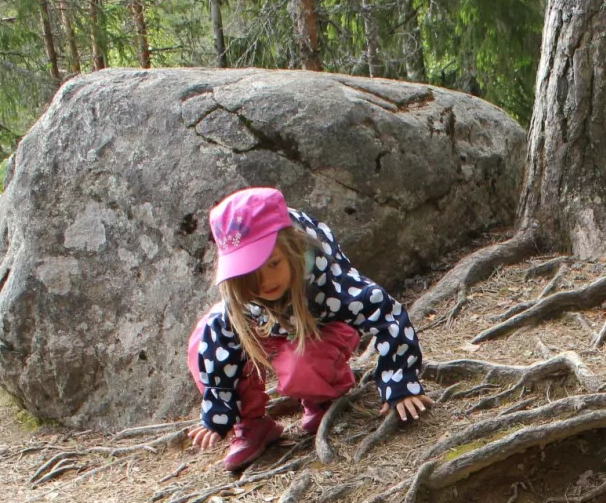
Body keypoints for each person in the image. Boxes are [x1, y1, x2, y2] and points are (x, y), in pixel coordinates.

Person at [185, 186, 433, 472]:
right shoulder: (244, 293)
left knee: (302, 364)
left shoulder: (331, 284)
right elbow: (217, 349)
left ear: (292, 247)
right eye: (250, 272)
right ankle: (251, 423)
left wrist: (400, 382)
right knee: (204, 339)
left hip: (321, 331)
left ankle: (321, 398)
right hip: (268, 330)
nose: (265, 282)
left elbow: (387, 314)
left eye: (274, 264)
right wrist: (219, 411)